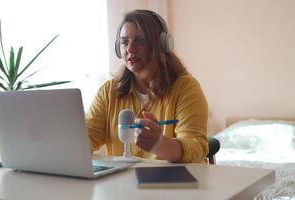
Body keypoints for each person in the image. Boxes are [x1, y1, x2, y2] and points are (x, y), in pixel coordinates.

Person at [85, 9, 208, 163]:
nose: (130, 49)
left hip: (173, 184)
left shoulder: (186, 88)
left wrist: (160, 144)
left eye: (140, 40)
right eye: (124, 42)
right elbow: (88, 136)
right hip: (121, 184)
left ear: (162, 45)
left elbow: (195, 149)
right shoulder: (108, 91)